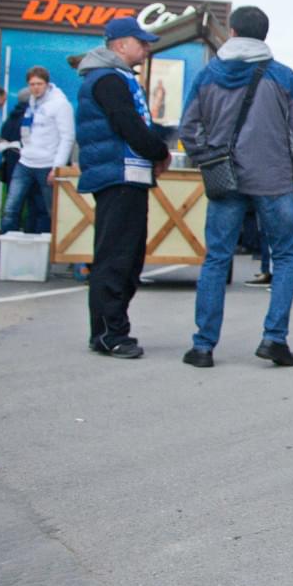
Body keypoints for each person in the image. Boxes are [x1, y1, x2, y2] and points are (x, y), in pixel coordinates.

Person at [180, 5, 293, 369]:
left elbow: (188, 127)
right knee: (285, 256)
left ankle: (203, 346)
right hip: (274, 179)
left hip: (224, 179)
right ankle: (274, 339)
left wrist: (207, 158)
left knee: (217, 258)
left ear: (233, 32)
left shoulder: (208, 75)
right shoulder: (283, 76)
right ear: (264, 36)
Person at [75, 18, 170, 359]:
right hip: (118, 175)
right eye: (140, 42)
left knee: (126, 258)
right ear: (118, 45)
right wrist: (159, 151)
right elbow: (126, 123)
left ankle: (107, 328)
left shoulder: (117, 78)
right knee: (116, 258)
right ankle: (110, 334)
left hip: (127, 174)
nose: (147, 48)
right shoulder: (109, 79)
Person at [0, 65, 75, 238]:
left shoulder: (60, 104)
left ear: (47, 84)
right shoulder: (32, 103)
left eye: (39, 84)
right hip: (26, 160)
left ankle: (49, 251)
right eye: (32, 84)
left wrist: (58, 166)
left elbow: (67, 137)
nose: (35, 88)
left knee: (49, 210)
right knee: (11, 207)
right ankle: (5, 252)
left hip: (47, 163)